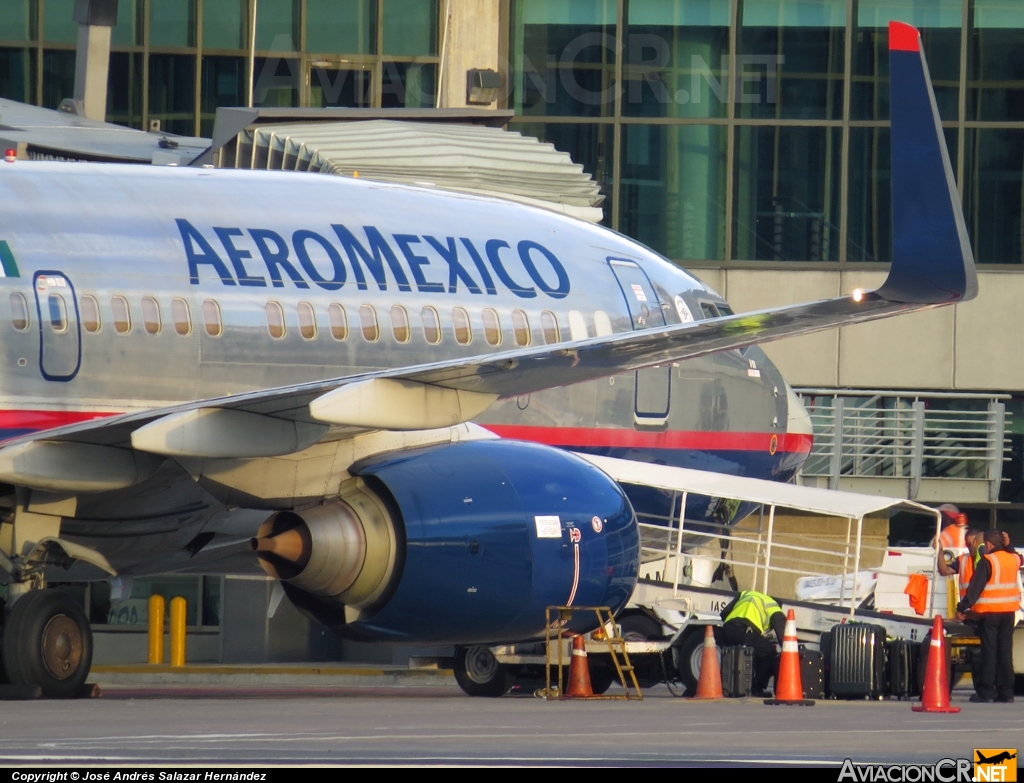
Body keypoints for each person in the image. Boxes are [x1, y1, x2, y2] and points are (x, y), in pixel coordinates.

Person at [956, 530, 1022, 703]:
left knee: (989, 653)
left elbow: (975, 587)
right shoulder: (1014, 558)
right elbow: (1019, 558)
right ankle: (1006, 693)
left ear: (988, 544)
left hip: (990, 613)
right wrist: (1009, 545)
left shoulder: (988, 560)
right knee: (1005, 652)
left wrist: (962, 607)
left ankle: (986, 692)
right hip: (1009, 613)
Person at [719, 589, 787, 697]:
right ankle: (757, 688)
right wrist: (788, 649)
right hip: (745, 630)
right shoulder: (773, 606)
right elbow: (782, 630)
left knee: (735, 656)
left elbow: (724, 613)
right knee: (770, 655)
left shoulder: (746, 593)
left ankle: (730, 688)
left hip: (727, 628)